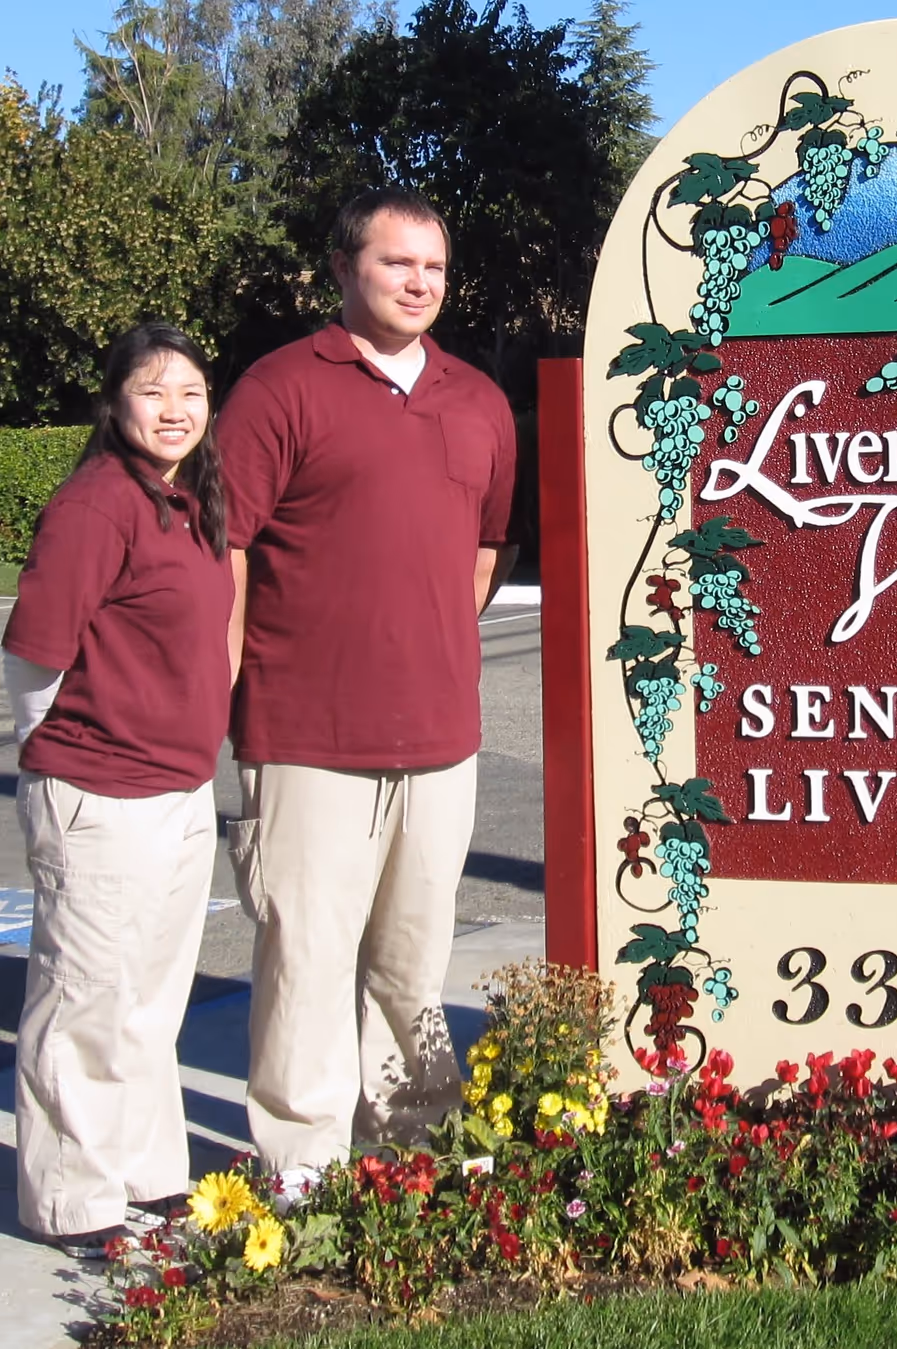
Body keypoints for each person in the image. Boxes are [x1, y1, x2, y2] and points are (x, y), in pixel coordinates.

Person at [218, 188, 518, 1194]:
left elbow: (483, 551)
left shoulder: (478, 400)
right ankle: (301, 1162)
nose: (419, 283)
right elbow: (229, 555)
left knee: (412, 960)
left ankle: (414, 1149)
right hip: (306, 734)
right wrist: (231, 701)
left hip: (441, 738)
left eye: (433, 266)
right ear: (343, 269)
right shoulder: (279, 387)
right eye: (398, 264)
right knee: (304, 960)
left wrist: (420, 651)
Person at [5, 324, 234, 1257]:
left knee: (149, 999)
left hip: (177, 789)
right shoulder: (97, 506)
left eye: (190, 391)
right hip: (99, 792)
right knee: (87, 999)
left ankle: (144, 1171)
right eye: (153, 392)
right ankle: (72, 1196)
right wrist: (51, 755)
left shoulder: (182, 500)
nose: (175, 409)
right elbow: (30, 660)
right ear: (114, 403)